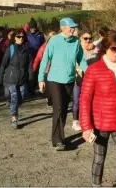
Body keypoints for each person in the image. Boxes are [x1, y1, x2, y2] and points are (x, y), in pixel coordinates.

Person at [80, 30, 116, 187]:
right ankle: (96, 185)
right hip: (100, 123)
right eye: (114, 48)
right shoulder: (94, 69)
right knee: (99, 158)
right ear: (106, 47)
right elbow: (85, 100)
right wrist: (86, 127)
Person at [38, 17, 88, 151]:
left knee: (64, 109)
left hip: (69, 80)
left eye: (73, 27)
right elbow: (45, 60)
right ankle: (57, 140)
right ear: (63, 28)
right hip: (54, 79)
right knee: (58, 108)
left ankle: (60, 135)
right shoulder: (54, 41)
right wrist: (41, 79)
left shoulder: (76, 42)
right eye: (70, 27)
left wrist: (89, 72)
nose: (73, 29)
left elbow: (81, 59)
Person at [0, 28, 31, 129]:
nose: (21, 38)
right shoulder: (10, 49)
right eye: (18, 36)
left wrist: (31, 79)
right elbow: (3, 64)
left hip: (23, 78)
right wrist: (0, 78)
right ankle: (14, 117)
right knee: (14, 96)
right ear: (15, 38)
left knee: (22, 96)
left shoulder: (28, 50)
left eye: (22, 36)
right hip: (11, 77)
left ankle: (14, 108)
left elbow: (30, 66)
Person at [72, 29, 99, 131]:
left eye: (90, 38)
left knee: (90, 101)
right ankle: (75, 121)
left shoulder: (95, 50)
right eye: (85, 38)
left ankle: (89, 121)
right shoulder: (76, 49)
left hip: (90, 80)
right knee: (77, 100)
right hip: (78, 78)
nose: (88, 40)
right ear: (81, 39)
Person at [33, 31, 58, 107]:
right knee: (48, 88)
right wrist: (34, 69)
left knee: (55, 87)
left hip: (56, 70)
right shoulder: (44, 47)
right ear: (49, 39)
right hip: (47, 71)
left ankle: (55, 100)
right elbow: (37, 58)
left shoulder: (59, 47)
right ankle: (49, 98)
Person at [26, 19, 45, 94]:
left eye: (33, 27)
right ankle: (30, 88)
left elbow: (43, 44)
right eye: (31, 28)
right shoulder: (27, 35)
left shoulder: (40, 34)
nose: (32, 29)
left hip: (38, 55)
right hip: (29, 55)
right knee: (30, 71)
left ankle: (34, 86)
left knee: (37, 71)